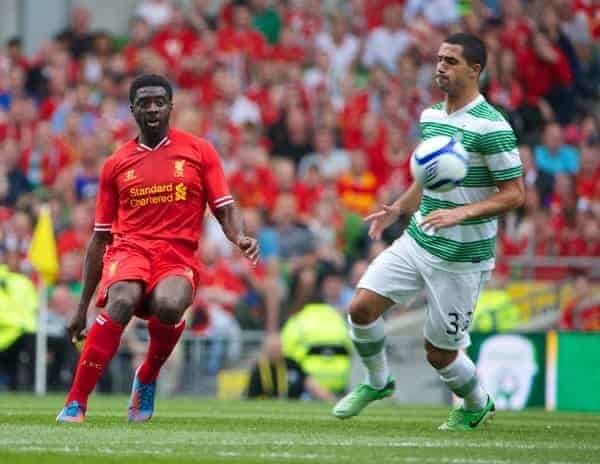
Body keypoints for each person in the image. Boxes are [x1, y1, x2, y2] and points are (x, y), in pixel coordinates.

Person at [332, 33, 525, 431]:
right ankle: (377, 381)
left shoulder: (493, 128)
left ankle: (477, 402)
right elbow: (429, 179)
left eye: (451, 61)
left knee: (439, 354)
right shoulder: (432, 116)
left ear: (475, 70)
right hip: (419, 239)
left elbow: (515, 194)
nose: (441, 67)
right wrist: (399, 208)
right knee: (361, 308)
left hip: (462, 259)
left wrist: (462, 213)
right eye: (439, 59)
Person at [56, 74, 259, 423]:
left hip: (176, 254)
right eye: (145, 102)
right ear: (133, 109)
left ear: (170, 107)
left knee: (169, 304)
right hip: (130, 251)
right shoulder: (115, 165)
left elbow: (225, 206)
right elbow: (100, 237)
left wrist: (238, 237)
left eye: (159, 101)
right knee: (120, 301)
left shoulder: (199, 151)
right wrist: (81, 308)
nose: (153, 108)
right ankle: (76, 402)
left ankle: (147, 376)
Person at [246, 333, 335, 401]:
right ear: (265, 350)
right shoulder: (259, 368)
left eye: (278, 348)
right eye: (272, 349)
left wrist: (330, 399)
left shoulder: (291, 363)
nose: (276, 351)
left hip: (296, 402)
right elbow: (251, 396)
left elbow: (311, 383)